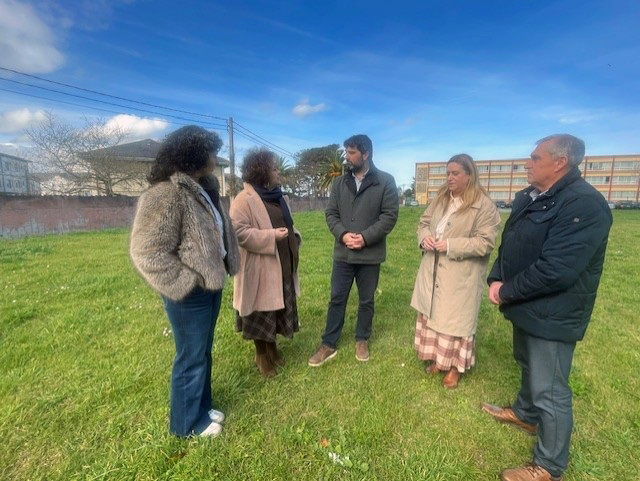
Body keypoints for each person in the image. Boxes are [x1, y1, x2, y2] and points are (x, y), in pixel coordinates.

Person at [483, 134, 612, 481]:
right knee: (527, 362)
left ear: (560, 162)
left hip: (553, 312)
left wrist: (507, 291)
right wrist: (496, 278)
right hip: (527, 304)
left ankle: (549, 466)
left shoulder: (584, 204)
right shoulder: (531, 196)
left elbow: (557, 270)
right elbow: (511, 243)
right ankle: (526, 414)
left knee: (550, 389)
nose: (527, 163)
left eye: (535, 158)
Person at [130, 126, 239, 437]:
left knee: (202, 352)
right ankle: (186, 425)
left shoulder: (203, 188)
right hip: (189, 292)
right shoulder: (166, 193)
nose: (215, 158)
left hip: (211, 284)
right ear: (194, 155)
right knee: (190, 357)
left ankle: (202, 408)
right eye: (211, 152)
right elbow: (146, 251)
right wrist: (186, 283)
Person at [410, 154, 500, 388]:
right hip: (433, 268)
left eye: (455, 173)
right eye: (448, 173)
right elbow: (423, 223)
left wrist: (450, 245)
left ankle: (454, 368)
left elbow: (485, 242)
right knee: (434, 314)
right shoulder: (441, 198)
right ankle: (439, 360)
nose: (449, 178)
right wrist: (425, 238)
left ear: (469, 175)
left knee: (455, 322)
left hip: (460, 275)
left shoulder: (484, 205)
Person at [308, 134, 399, 366]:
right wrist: (343, 234)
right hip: (343, 254)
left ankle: (362, 339)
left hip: (370, 255)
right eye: (346, 152)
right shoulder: (339, 183)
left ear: (366, 154)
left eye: (351, 152)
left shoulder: (385, 181)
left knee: (366, 300)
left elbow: (389, 216)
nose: (346, 157)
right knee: (337, 298)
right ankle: (329, 343)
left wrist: (365, 238)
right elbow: (331, 214)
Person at [230, 148, 301, 378]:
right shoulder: (243, 199)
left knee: (276, 309)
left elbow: (288, 224)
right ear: (261, 171)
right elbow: (238, 232)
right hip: (259, 269)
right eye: (274, 168)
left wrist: (294, 237)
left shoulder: (280, 197)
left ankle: (272, 349)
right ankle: (261, 355)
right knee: (261, 313)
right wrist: (271, 237)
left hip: (282, 264)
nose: (278, 171)